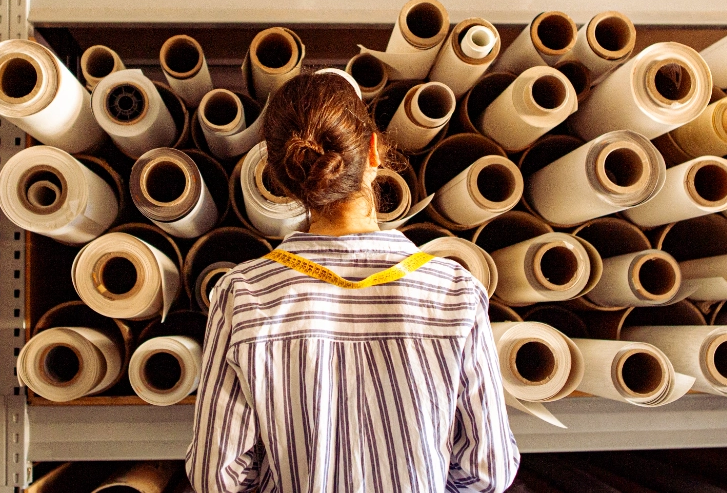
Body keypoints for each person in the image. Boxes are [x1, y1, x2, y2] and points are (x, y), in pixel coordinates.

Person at [187, 70, 519, 493]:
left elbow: (216, 478)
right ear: (375, 151)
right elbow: (488, 471)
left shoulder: (244, 295)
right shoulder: (455, 292)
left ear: (280, 176)